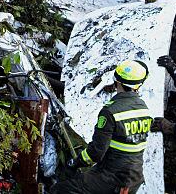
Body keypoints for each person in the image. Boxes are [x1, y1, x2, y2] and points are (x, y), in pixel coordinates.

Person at [53, 60, 153, 194]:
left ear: (116, 81)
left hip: (112, 178)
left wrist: (75, 162)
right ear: (138, 85)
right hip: (134, 178)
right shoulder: (144, 109)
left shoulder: (110, 111)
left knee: (61, 189)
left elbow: (96, 152)